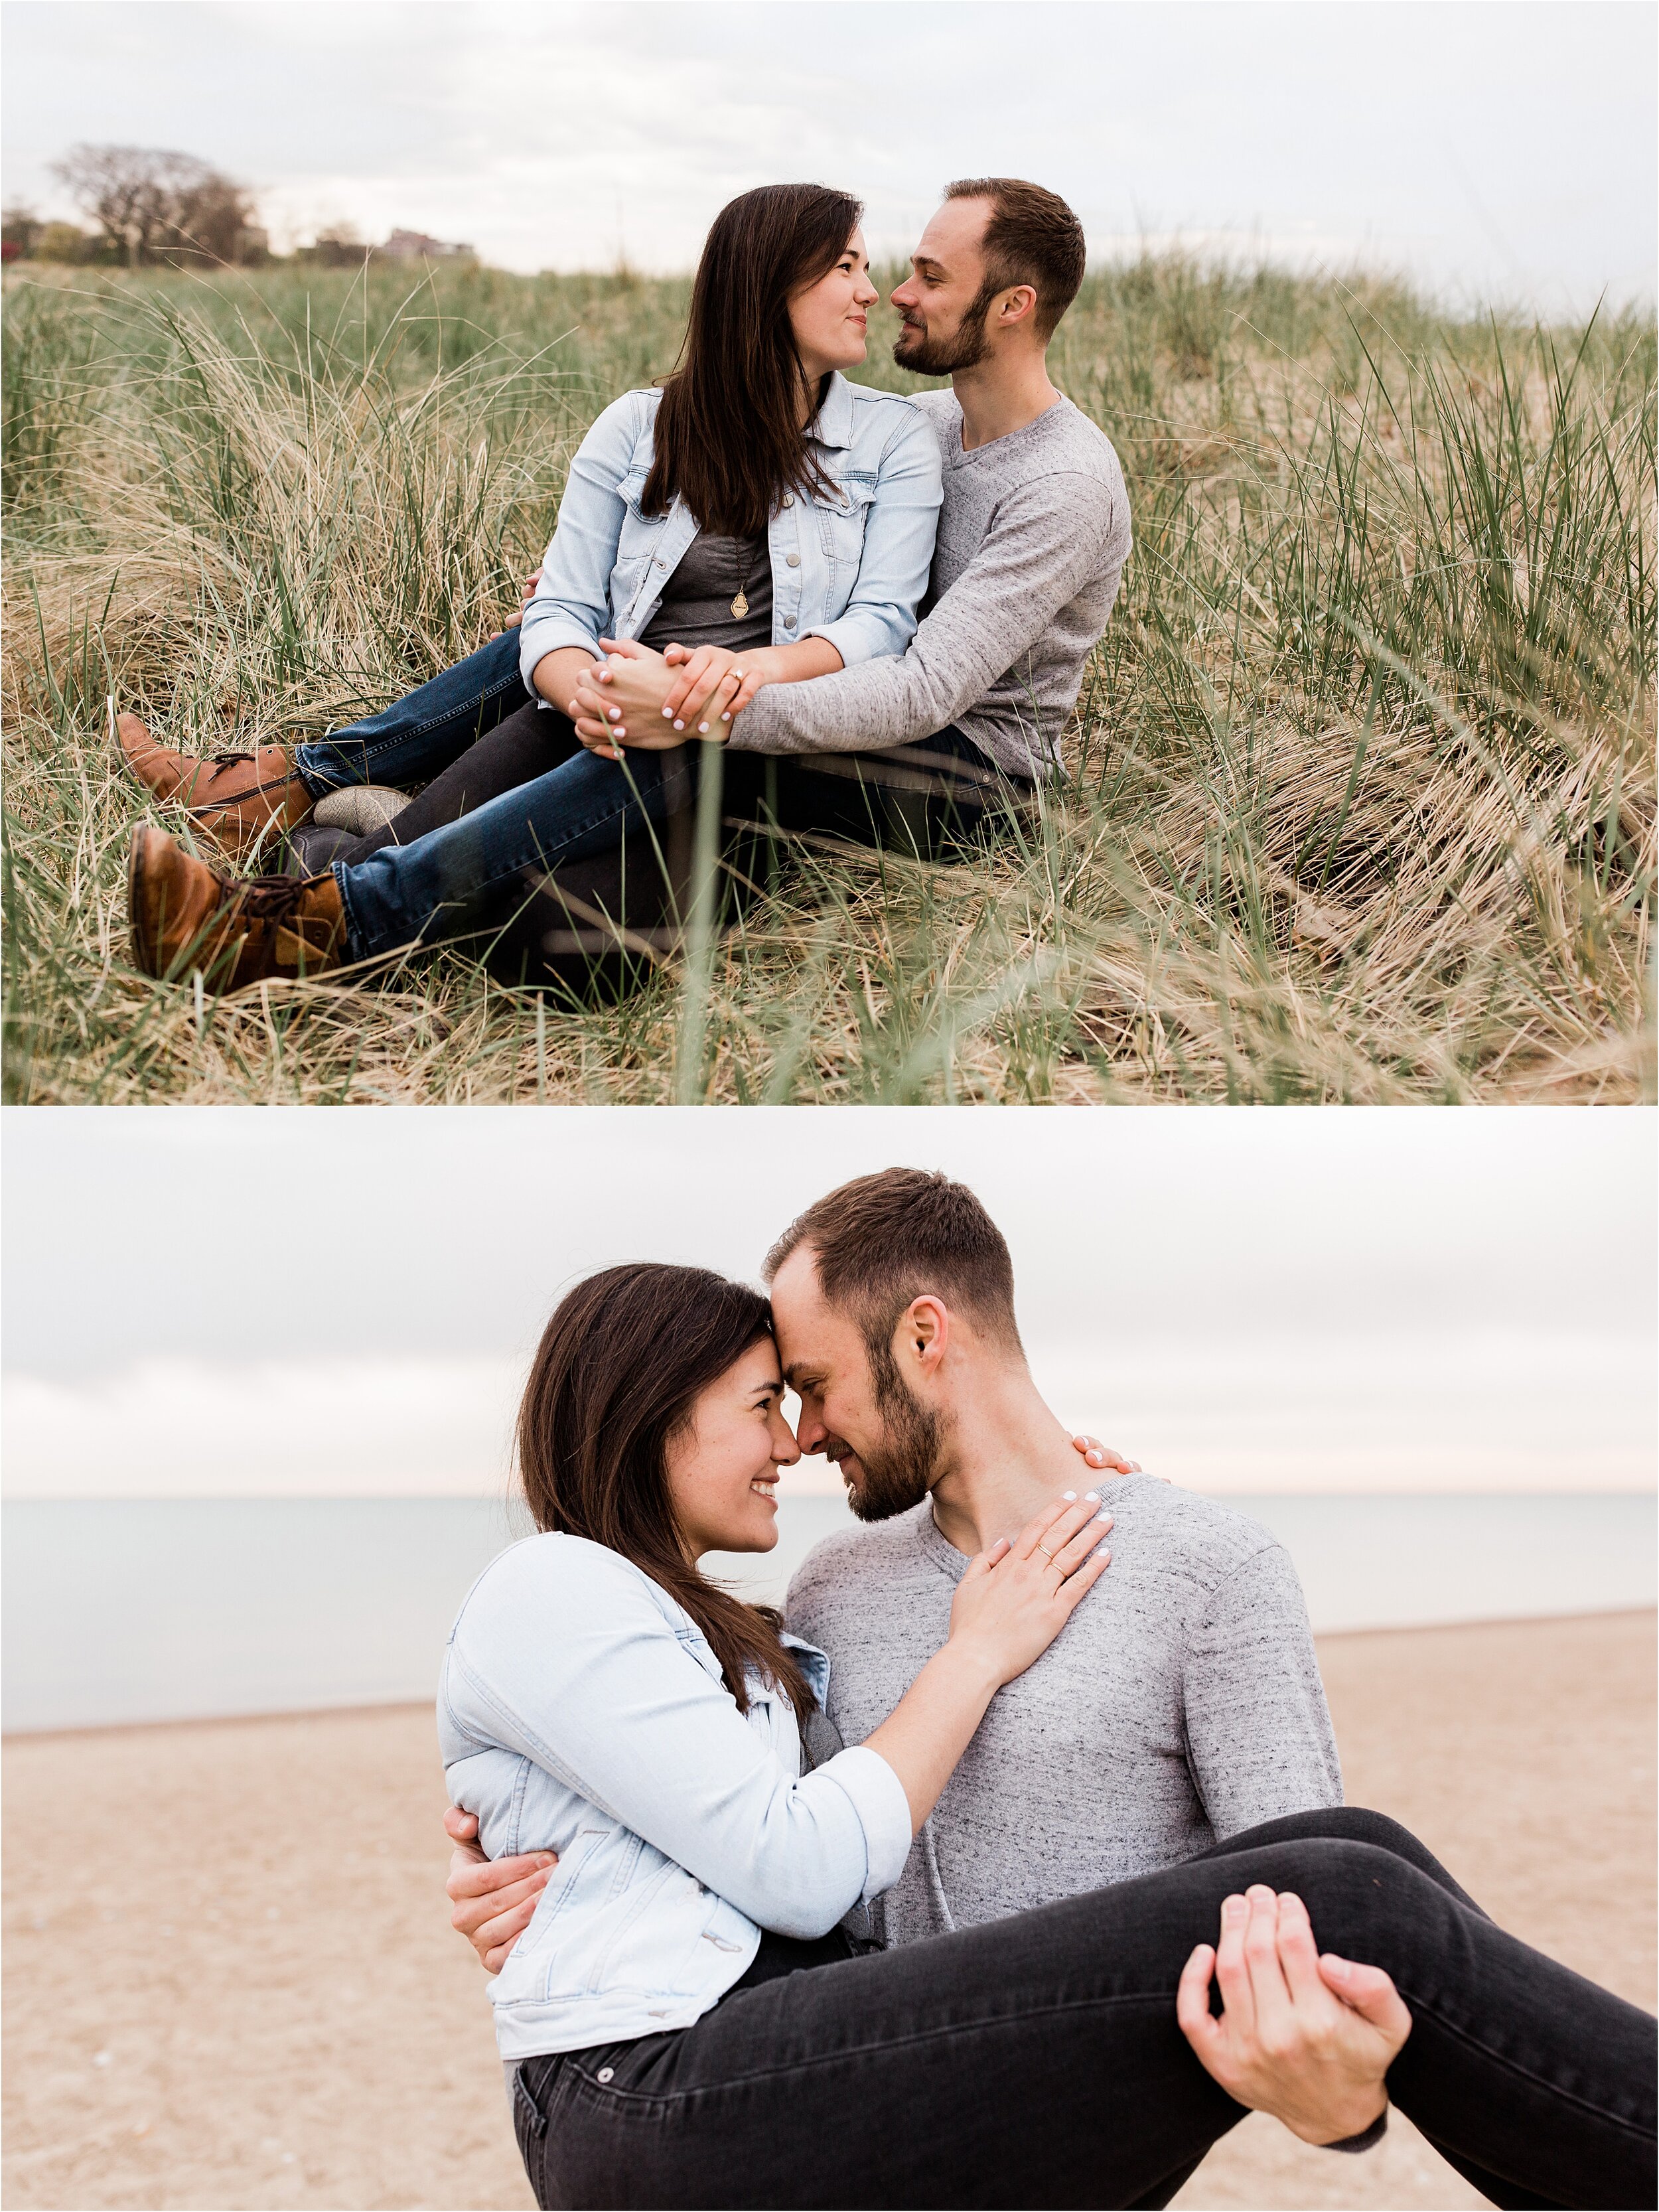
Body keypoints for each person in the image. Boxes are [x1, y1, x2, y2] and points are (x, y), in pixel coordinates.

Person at [439, 1183, 1655, 2211]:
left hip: (1067, 2141)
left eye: (806, 1385)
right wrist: (538, 1870)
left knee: (1347, 1864)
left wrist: (1344, 2108)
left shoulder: (1205, 1569)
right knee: (1359, 1884)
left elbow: (1305, 1981)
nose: (801, 1436)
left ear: (925, 1339)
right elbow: (779, 1863)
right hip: (856, 2117)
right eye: (774, 1400)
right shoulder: (829, 1589)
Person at [119, 176, 1133, 994]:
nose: (896, 294)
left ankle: (337, 896)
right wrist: (593, 635)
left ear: (1011, 308)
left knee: (611, 857)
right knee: (601, 679)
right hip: (841, 704)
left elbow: (917, 683)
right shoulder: (936, 423)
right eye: (877, 269)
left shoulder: (1061, 482)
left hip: (960, 767)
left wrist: (716, 702)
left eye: (924, 275)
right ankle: (299, 837)